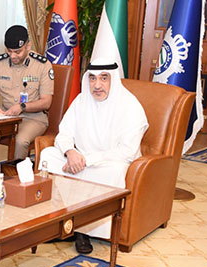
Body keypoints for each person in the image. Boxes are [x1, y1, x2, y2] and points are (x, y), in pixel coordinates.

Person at [36, 53, 148, 255]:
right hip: (77, 158)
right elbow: (64, 134)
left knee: (112, 172)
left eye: (104, 78)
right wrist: (70, 151)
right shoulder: (82, 100)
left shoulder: (130, 106)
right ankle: (57, 222)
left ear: (113, 80)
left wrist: (85, 160)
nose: (97, 85)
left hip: (109, 162)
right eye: (93, 78)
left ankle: (84, 231)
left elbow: (126, 152)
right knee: (48, 156)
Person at [0, 25, 55, 169]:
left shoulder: (42, 65)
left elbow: (46, 102)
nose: (13, 56)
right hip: (6, 117)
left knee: (20, 140)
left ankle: (16, 176)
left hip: (33, 118)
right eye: (9, 51)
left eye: (18, 52)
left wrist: (22, 107)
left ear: (28, 46)